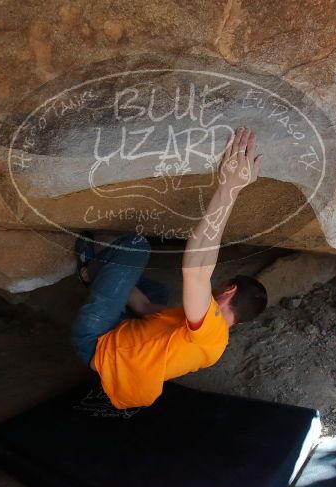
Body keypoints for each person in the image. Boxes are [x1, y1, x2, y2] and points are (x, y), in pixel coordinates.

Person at [70, 127, 268, 409]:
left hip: (95, 341)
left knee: (137, 247)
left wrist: (230, 188)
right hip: (120, 347)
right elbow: (146, 308)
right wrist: (118, 285)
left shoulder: (210, 329)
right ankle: (102, 278)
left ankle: (90, 271)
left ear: (229, 290)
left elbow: (197, 269)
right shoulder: (214, 343)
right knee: (154, 291)